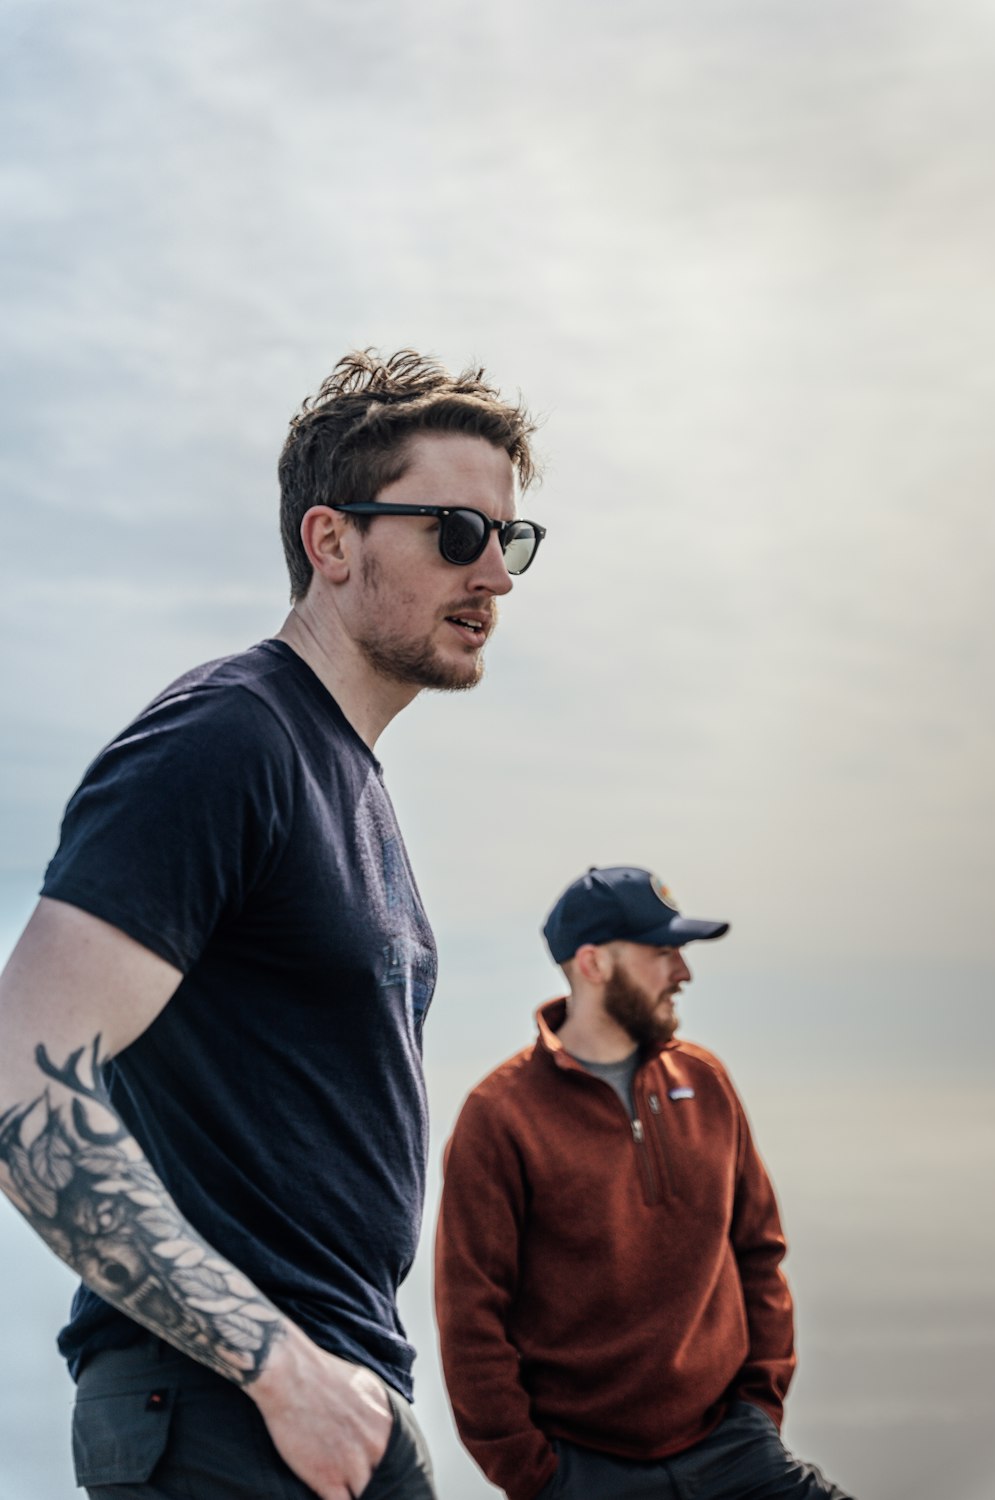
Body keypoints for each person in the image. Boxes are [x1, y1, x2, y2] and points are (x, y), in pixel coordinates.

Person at [0, 349, 544, 1500]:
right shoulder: (225, 739)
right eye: (455, 530)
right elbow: (17, 1078)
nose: (495, 572)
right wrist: (277, 1369)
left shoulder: (341, 776)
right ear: (331, 541)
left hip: (333, 1399)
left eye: (511, 538)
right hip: (226, 1409)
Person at [434, 864, 855, 1500]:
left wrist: (758, 1410)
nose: (683, 974)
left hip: (733, 1450)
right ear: (593, 964)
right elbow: (469, 1316)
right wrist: (538, 1477)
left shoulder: (705, 1081)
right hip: (584, 1473)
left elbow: (760, 1253)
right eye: (662, 953)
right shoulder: (500, 1116)